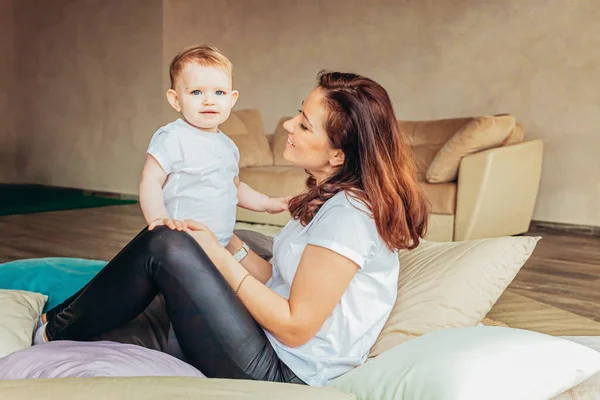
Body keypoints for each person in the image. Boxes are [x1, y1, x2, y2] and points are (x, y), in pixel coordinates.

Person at [35, 71, 430, 387]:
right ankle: (69, 321)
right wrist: (227, 241)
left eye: (305, 125)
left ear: (338, 154)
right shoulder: (332, 198)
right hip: (268, 343)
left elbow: (294, 327)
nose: (289, 125)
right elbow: (280, 277)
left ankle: (54, 330)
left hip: (285, 371)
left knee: (166, 244)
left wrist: (217, 258)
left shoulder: (349, 217)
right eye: (298, 112)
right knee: (179, 240)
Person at [139, 44, 289, 247]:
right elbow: (150, 182)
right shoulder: (173, 137)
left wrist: (267, 203)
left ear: (231, 99)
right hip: (181, 242)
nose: (209, 101)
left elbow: (234, 187)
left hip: (219, 244)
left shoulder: (228, 146)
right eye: (196, 92)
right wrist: (158, 220)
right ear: (176, 100)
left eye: (219, 93)